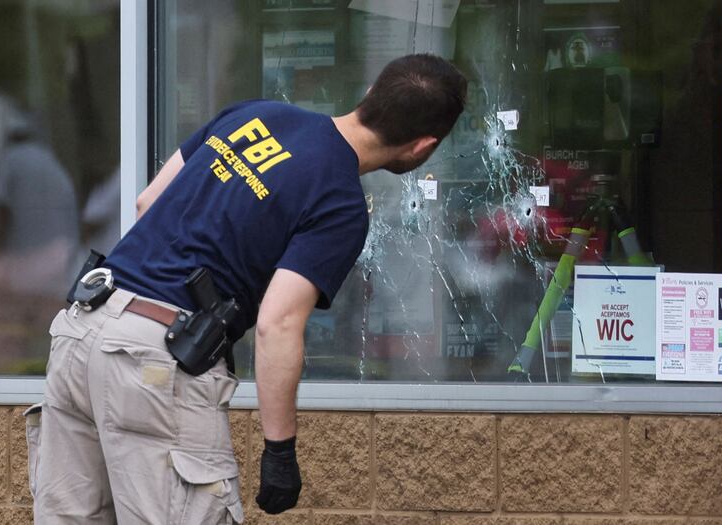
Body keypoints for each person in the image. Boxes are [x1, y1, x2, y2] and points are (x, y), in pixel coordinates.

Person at [29, 54, 467, 524]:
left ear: (367, 97)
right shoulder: (340, 202)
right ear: (423, 146)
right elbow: (278, 323)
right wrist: (280, 451)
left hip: (82, 328)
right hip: (155, 360)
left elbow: (147, 202)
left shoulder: (256, 114)